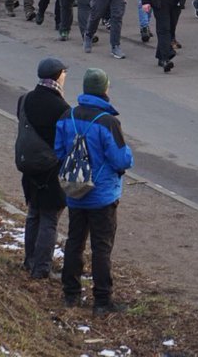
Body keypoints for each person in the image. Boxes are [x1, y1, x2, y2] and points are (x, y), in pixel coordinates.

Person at [55, 67, 134, 315]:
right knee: (101, 247)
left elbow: (59, 150)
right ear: (104, 90)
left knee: (74, 242)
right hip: (103, 195)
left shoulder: (68, 115)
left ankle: (71, 294)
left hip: (76, 192)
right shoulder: (108, 122)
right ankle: (102, 300)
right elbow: (121, 160)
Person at [18, 57, 70, 280]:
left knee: (33, 214)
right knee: (49, 217)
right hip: (51, 169)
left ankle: (29, 260)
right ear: (58, 76)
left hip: (28, 165)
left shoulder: (25, 99)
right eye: (64, 72)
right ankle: (41, 268)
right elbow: (67, 141)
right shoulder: (62, 107)